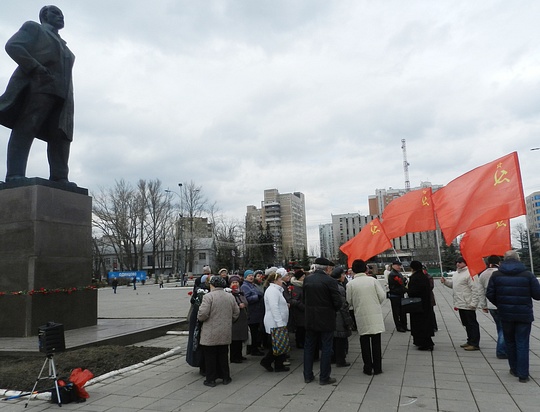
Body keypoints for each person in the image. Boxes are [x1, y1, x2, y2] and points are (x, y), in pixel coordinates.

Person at [0, 6, 76, 185]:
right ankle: (14, 175)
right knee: (27, 127)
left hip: (63, 96)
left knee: (61, 136)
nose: (61, 16)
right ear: (44, 15)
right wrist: (35, 67)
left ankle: (60, 177)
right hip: (39, 86)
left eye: (62, 14)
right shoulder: (34, 28)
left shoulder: (65, 47)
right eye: (55, 13)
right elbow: (13, 46)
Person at [486, 250, 540, 383]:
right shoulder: (527, 275)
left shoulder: (496, 275)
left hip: (505, 314)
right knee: (522, 343)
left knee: (510, 342)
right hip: (524, 314)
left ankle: (514, 369)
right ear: (518, 259)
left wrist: (500, 303)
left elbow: (490, 293)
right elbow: (537, 295)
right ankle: (523, 375)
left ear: (504, 260)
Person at [302, 257, 342, 385]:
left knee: (309, 347)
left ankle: (307, 375)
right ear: (328, 268)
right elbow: (337, 301)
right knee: (326, 347)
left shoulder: (307, 279)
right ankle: (324, 377)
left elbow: (304, 299)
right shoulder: (330, 281)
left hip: (310, 318)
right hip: (326, 318)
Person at [197, 275, 240, 387]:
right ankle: (225, 377)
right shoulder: (230, 296)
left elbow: (203, 314)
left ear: (212, 285)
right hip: (225, 331)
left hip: (210, 332)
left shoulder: (208, 297)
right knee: (223, 355)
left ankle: (211, 379)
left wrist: (201, 319)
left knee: (210, 356)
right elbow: (236, 312)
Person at [346, 259, 386, 375]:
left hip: (361, 315)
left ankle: (367, 367)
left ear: (353, 270)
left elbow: (349, 301)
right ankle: (378, 367)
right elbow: (382, 296)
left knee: (364, 343)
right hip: (375, 314)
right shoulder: (372, 281)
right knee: (376, 342)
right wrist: (375, 303)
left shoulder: (350, 284)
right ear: (365, 268)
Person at [441, 256, 481, 350]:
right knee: (466, 324)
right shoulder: (456, 274)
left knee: (472, 324)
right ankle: (470, 340)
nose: (458, 264)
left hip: (468, 303)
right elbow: (454, 286)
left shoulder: (470, 273)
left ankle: (474, 343)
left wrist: (474, 303)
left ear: (465, 263)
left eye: (460, 262)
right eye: (457, 262)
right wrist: (446, 282)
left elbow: (475, 289)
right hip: (460, 303)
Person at [260, 272, 290, 372]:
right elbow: (274, 308)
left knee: (279, 344)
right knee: (276, 345)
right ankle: (266, 361)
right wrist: (279, 323)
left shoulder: (276, 290)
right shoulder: (272, 291)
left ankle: (279, 365)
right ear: (275, 281)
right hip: (274, 322)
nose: (282, 281)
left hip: (278, 322)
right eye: (280, 279)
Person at [478, 255, 506, 359]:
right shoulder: (501, 273)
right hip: (501, 303)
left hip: (490, 305)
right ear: (499, 262)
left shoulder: (483, 274)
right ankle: (501, 350)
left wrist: (483, 305)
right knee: (504, 328)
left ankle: (502, 345)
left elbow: (480, 291)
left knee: (499, 326)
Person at [407, 260, 435, 351]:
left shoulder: (415, 278)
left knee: (419, 324)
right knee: (425, 323)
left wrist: (407, 289)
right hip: (426, 304)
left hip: (417, 305)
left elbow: (413, 292)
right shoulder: (424, 277)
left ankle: (424, 343)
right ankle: (424, 342)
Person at [330, 267, 353, 367]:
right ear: (339, 277)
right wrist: (348, 321)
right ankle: (340, 360)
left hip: (332, 316)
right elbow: (343, 306)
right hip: (339, 317)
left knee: (334, 340)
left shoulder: (330, 285)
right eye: (343, 274)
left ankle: (333, 358)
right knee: (340, 340)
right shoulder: (340, 288)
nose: (344, 276)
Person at [240, 269, 265, 356]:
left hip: (257, 311)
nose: (251, 277)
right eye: (249, 276)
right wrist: (257, 297)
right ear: (245, 277)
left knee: (256, 331)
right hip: (252, 312)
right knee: (254, 332)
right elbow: (246, 299)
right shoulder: (245, 286)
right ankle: (253, 349)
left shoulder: (252, 285)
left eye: (252, 275)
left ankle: (253, 348)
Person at [228, 275, 249, 363]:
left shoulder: (241, 292)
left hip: (242, 318)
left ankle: (239, 355)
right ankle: (234, 357)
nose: (235, 284)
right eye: (233, 282)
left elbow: (246, 301)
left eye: (236, 282)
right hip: (235, 318)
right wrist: (238, 306)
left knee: (240, 338)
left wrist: (244, 304)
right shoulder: (229, 293)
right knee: (234, 339)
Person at [387, 261, 408, 332]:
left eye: (400, 265)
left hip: (400, 294)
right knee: (396, 312)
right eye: (397, 265)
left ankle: (404, 325)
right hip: (395, 295)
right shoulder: (393, 274)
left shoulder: (398, 273)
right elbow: (399, 284)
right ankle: (399, 326)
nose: (399, 267)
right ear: (393, 266)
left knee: (403, 311)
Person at [289, 268, 306, 348]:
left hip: (303, 310)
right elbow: (294, 300)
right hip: (299, 311)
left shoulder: (302, 286)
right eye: (303, 277)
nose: (304, 278)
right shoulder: (296, 287)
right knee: (300, 328)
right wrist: (302, 306)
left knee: (302, 328)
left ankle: (302, 341)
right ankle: (299, 342)